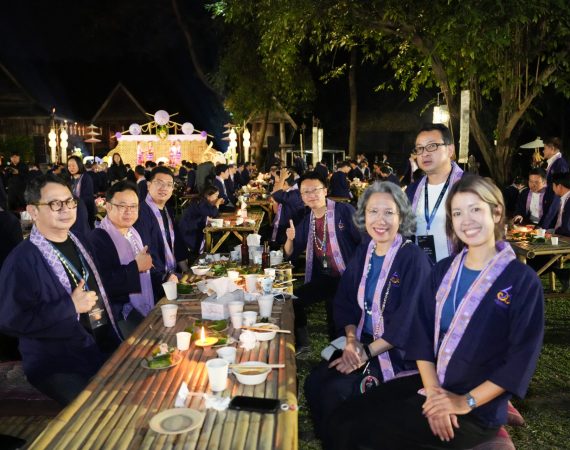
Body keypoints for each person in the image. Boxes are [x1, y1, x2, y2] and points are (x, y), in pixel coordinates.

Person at [327, 175, 544, 450]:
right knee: (343, 418)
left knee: (362, 433)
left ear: (497, 211)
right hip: (429, 384)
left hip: (476, 408)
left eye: (476, 209)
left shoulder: (522, 281)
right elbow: (420, 335)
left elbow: (519, 360)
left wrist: (462, 402)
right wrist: (433, 393)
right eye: (457, 212)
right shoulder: (443, 271)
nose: (466, 220)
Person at [305, 181, 432, 441]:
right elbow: (346, 301)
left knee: (337, 391)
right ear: (364, 216)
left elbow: (409, 322)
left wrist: (365, 352)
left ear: (402, 216)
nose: (380, 220)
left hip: (399, 354)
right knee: (314, 383)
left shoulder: (414, 259)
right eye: (373, 212)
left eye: (389, 212)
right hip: (361, 343)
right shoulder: (365, 251)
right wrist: (352, 341)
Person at [0, 174, 122, 405]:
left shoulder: (79, 242)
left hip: (97, 344)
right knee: (96, 410)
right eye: (55, 204)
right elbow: (10, 320)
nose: (66, 209)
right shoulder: (22, 260)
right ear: (33, 211)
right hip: (57, 361)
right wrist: (70, 306)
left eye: (69, 201)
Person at [284, 171, 362, 353]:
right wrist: (290, 238)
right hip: (326, 277)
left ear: (325, 190)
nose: (311, 195)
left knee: (337, 317)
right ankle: (303, 343)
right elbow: (290, 253)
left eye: (315, 190)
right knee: (293, 301)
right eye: (305, 192)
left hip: (349, 277)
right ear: (301, 196)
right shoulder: (307, 220)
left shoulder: (344, 211)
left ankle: (342, 355)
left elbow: (365, 242)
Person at [88, 181, 154, 338]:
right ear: (108, 206)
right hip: (117, 313)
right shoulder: (99, 238)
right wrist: (136, 267)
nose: (128, 211)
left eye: (133, 206)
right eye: (122, 206)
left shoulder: (133, 233)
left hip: (138, 306)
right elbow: (101, 283)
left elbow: (146, 270)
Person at [406, 123, 463, 263]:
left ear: (450, 150)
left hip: (458, 272)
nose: (424, 153)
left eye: (432, 146)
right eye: (419, 148)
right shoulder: (412, 190)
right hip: (421, 272)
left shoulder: (470, 186)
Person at [134, 166, 189, 298]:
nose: (164, 188)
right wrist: (165, 277)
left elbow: (177, 243)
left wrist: (186, 270)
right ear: (148, 185)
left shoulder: (167, 210)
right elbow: (143, 251)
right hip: (153, 282)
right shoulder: (141, 213)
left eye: (169, 184)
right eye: (159, 183)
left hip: (170, 277)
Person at [179, 185, 224, 255]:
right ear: (208, 195)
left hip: (193, 227)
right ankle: (209, 253)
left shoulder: (203, 201)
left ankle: (213, 252)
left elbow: (213, 214)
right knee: (216, 234)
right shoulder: (201, 202)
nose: (217, 198)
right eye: (216, 195)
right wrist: (217, 204)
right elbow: (212, 213)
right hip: (189, 230)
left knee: (217, 233)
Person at [270, 168, 305, 246]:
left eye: (277, 183)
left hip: (292, 233)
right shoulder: (287, 193)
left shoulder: (294, 194)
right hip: (283, 227)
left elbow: (276, 194)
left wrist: (282, 177)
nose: (274, 185)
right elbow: (276, 212)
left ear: (285, 183)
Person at [67, 155, 96, 230]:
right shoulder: (70, 179)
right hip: (72, 211)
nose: (71, 168)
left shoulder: (86, 177)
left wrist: (75, 203)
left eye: (73, 165)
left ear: (79, 165)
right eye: (69, 166)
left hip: (85, 211)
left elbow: (88, 197)